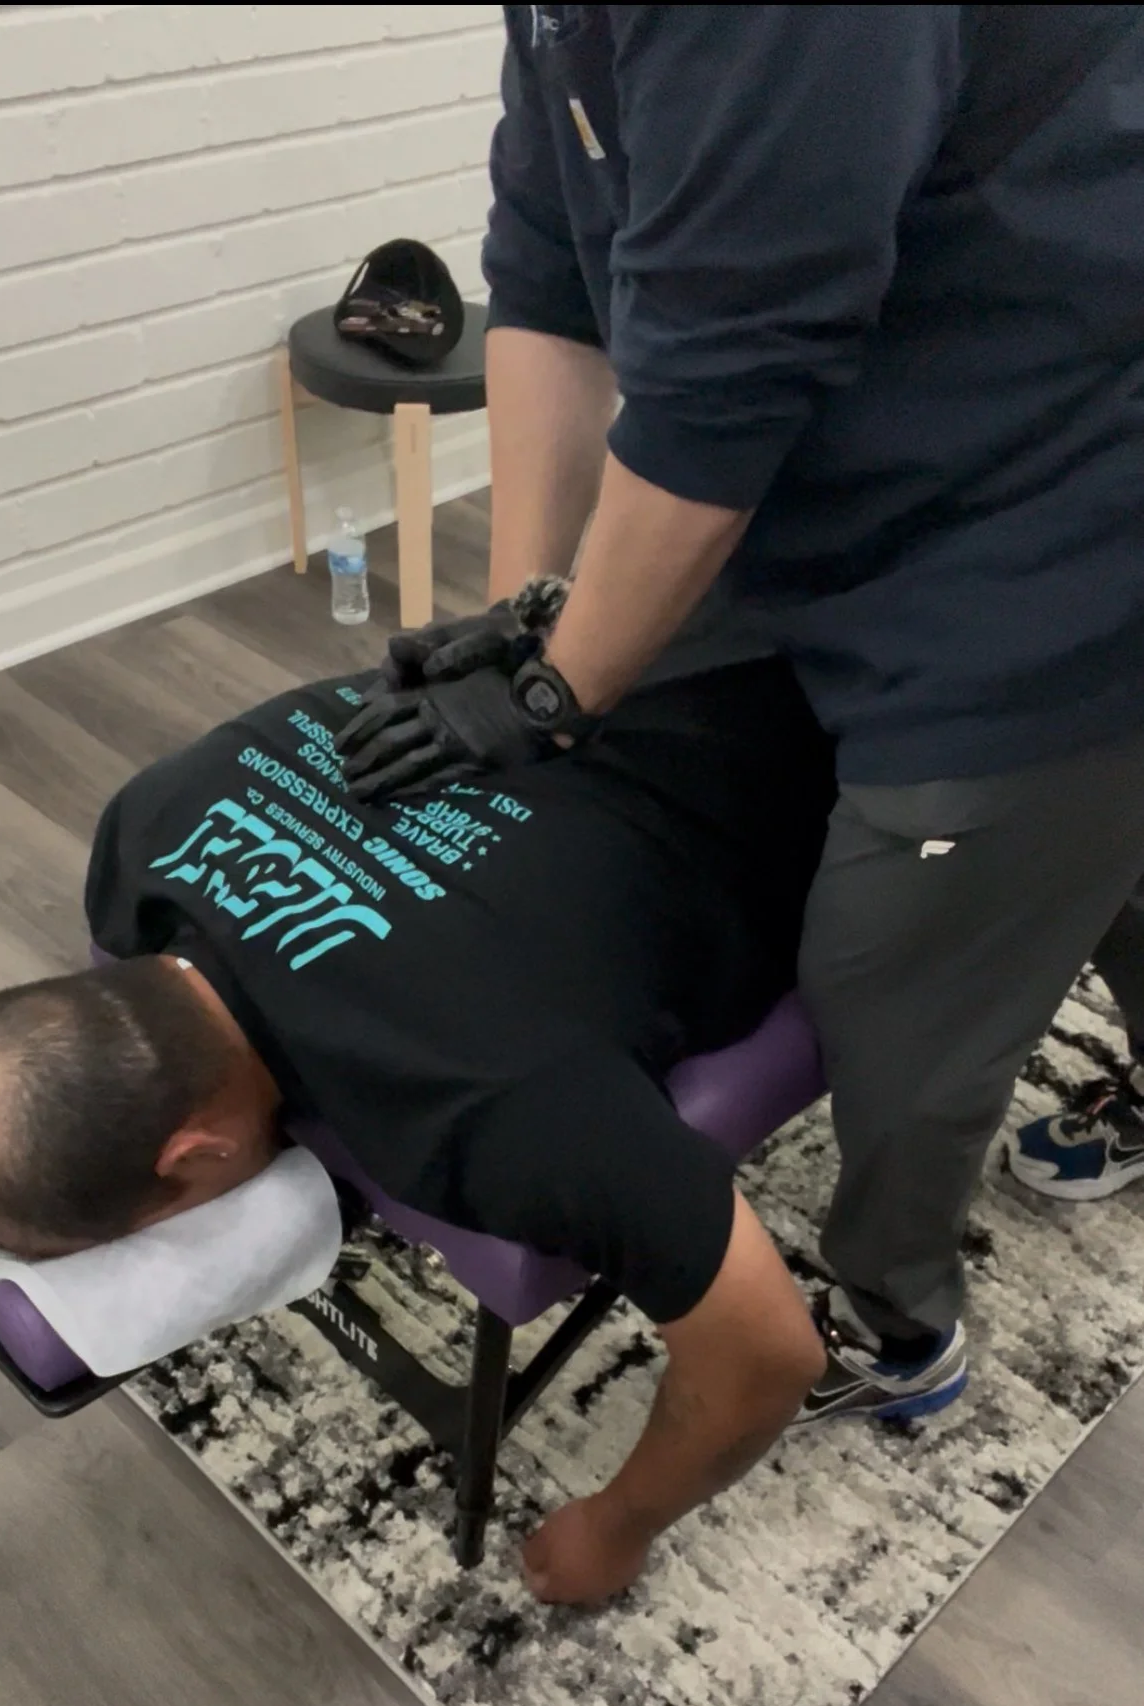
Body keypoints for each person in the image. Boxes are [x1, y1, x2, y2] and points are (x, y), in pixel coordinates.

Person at [335, 5, 1144, 1421]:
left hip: (1067, 512)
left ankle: (899, 1321)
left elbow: (723, 380)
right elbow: (545, 266)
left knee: (897, 985)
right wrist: (534, 605)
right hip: (847, 442)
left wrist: (558, 684)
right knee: (1066, 859)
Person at [0, 645, 836, 1605]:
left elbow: (769, 1353)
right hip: (630, 635)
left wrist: (615, 1524)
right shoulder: (145, 820)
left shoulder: (488, 1107)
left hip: (846, 721)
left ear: (199, 1151)